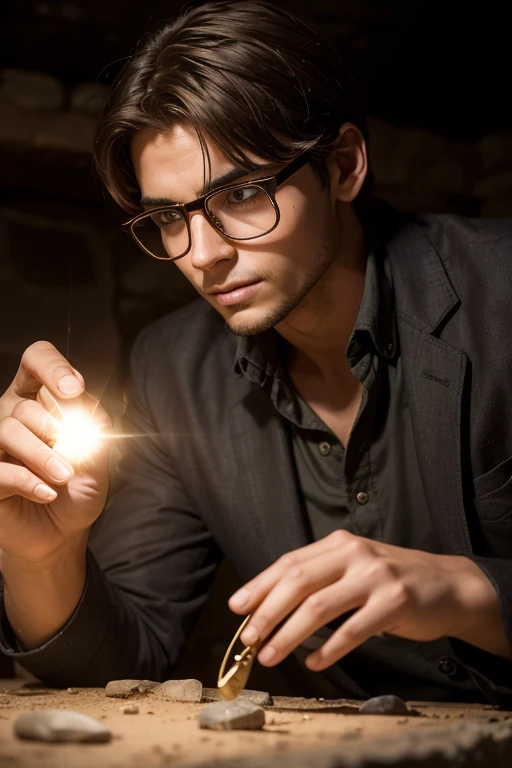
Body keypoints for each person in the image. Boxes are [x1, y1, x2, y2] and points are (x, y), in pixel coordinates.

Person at [0, 0, 511, 705]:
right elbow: (128, 657)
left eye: (241, 193)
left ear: (343, 166)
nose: (203, 256)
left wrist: (471, 591)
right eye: (169, 217)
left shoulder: (503, 297)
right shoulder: (172, 370)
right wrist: (42, 554)